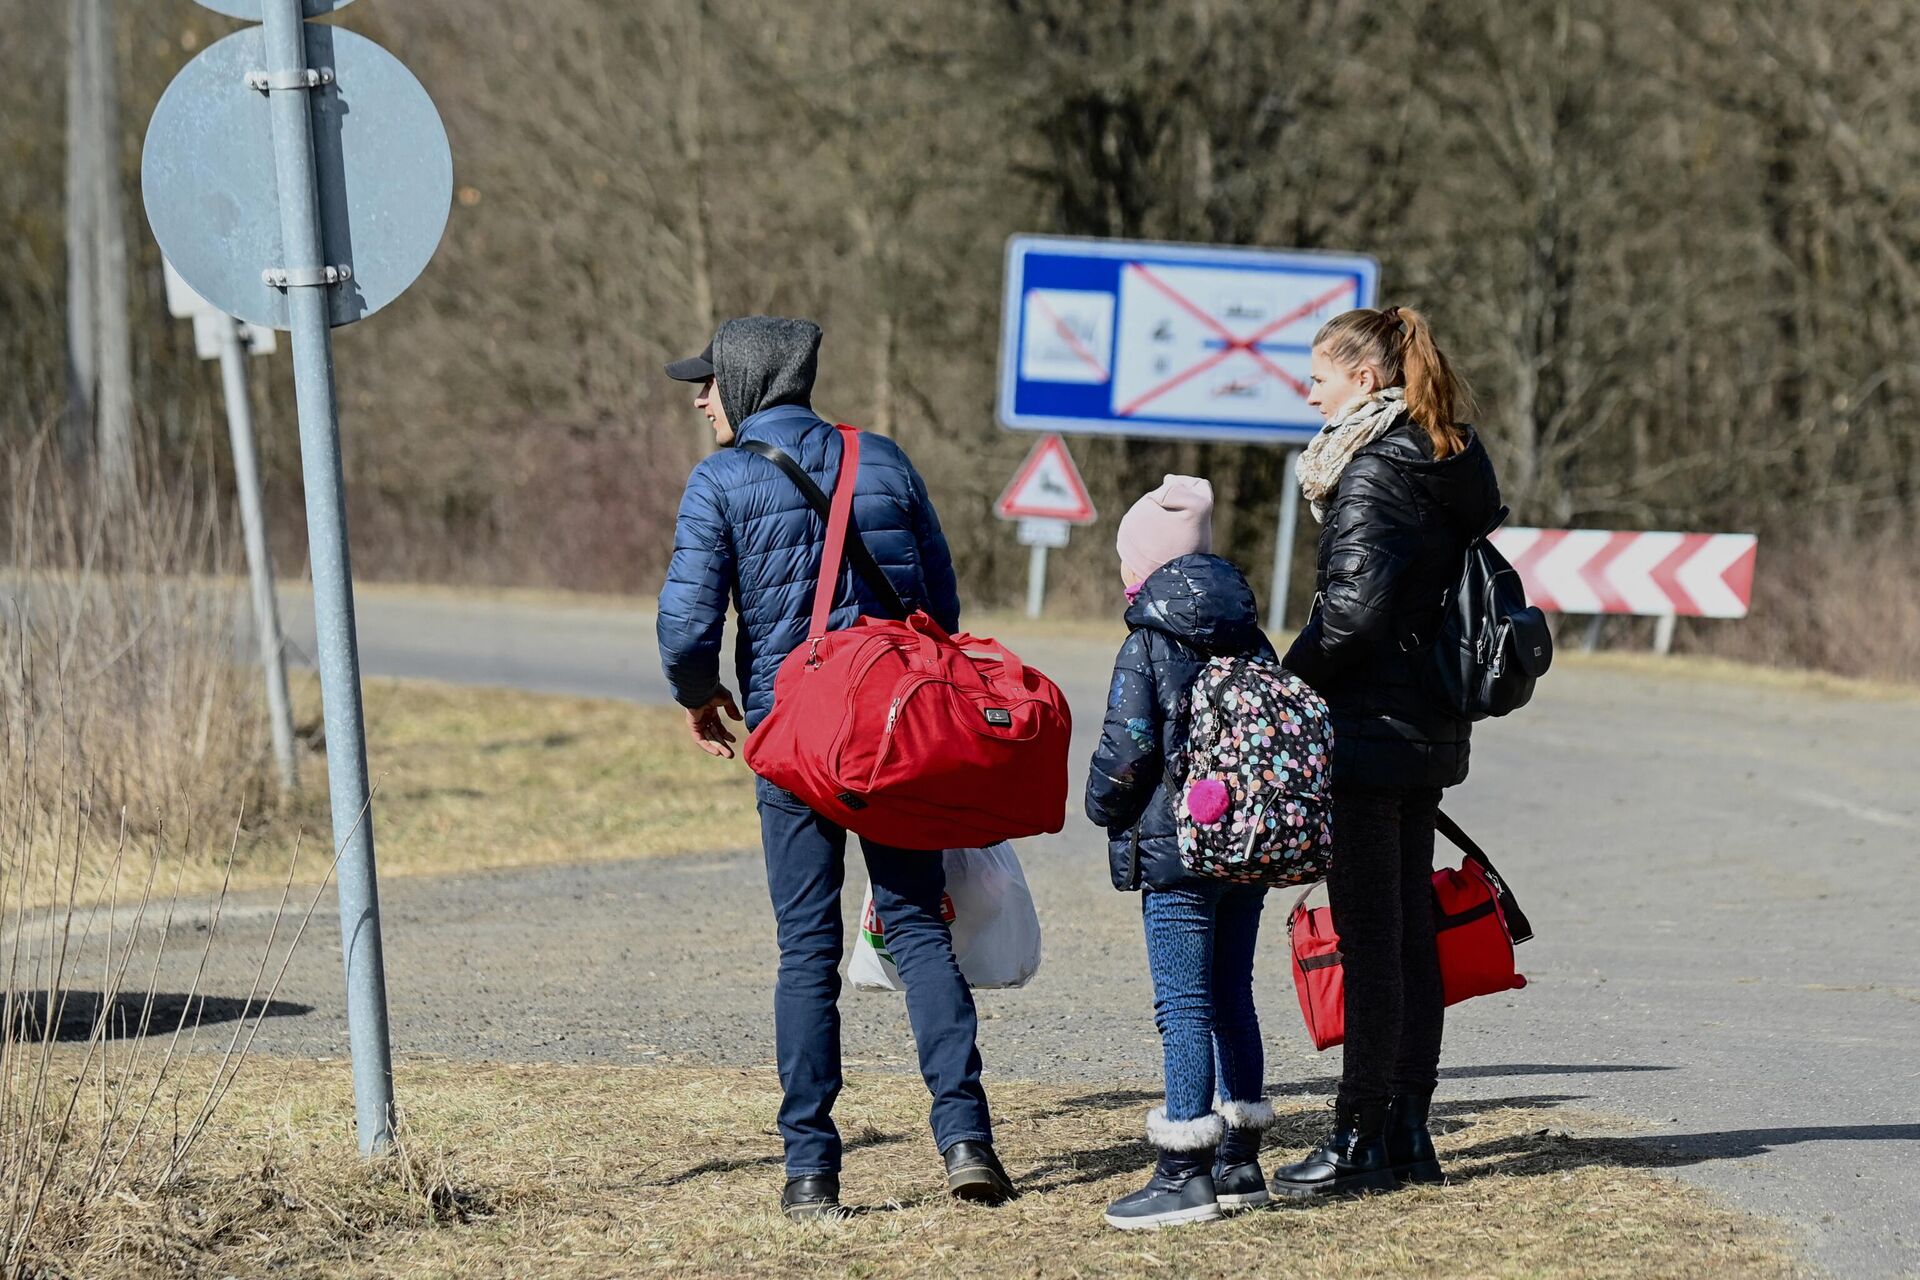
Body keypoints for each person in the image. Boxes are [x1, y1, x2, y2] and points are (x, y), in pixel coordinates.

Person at [656, 316, 1015, 1219]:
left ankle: (811, 1171)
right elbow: (941, 602)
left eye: (709, 383)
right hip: (896, 735)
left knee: (807, 951)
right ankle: (966, 1141)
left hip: (794, 742)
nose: (700, 399)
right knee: (920, 930)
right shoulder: (885, 460)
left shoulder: (724, 479)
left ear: (746, 383)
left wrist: (700, 693)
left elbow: (688, 627)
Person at [1267, 305, 1500, 1200]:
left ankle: (1359, 1137)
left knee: (1372, 942)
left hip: (1370, 731)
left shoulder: (1370, 475)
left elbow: (1354, 616)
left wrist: (1288, 683)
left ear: (1364, 380)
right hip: (1429, 726)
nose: (1309, 388)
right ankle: (1409, 1131)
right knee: (1407, 936)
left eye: (1319, 374)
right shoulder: (1445, 459)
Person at [1085, 476, 1280, 1230]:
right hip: (1247, 849)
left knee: (1183, 1003)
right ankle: (1240, 1161)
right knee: (1232, 993)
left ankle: (1183, 1172)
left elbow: (1126, 752)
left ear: (1143, 569)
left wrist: (1102, 806)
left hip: (1177, 854)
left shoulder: (1148, 641)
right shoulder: (1252, 634)